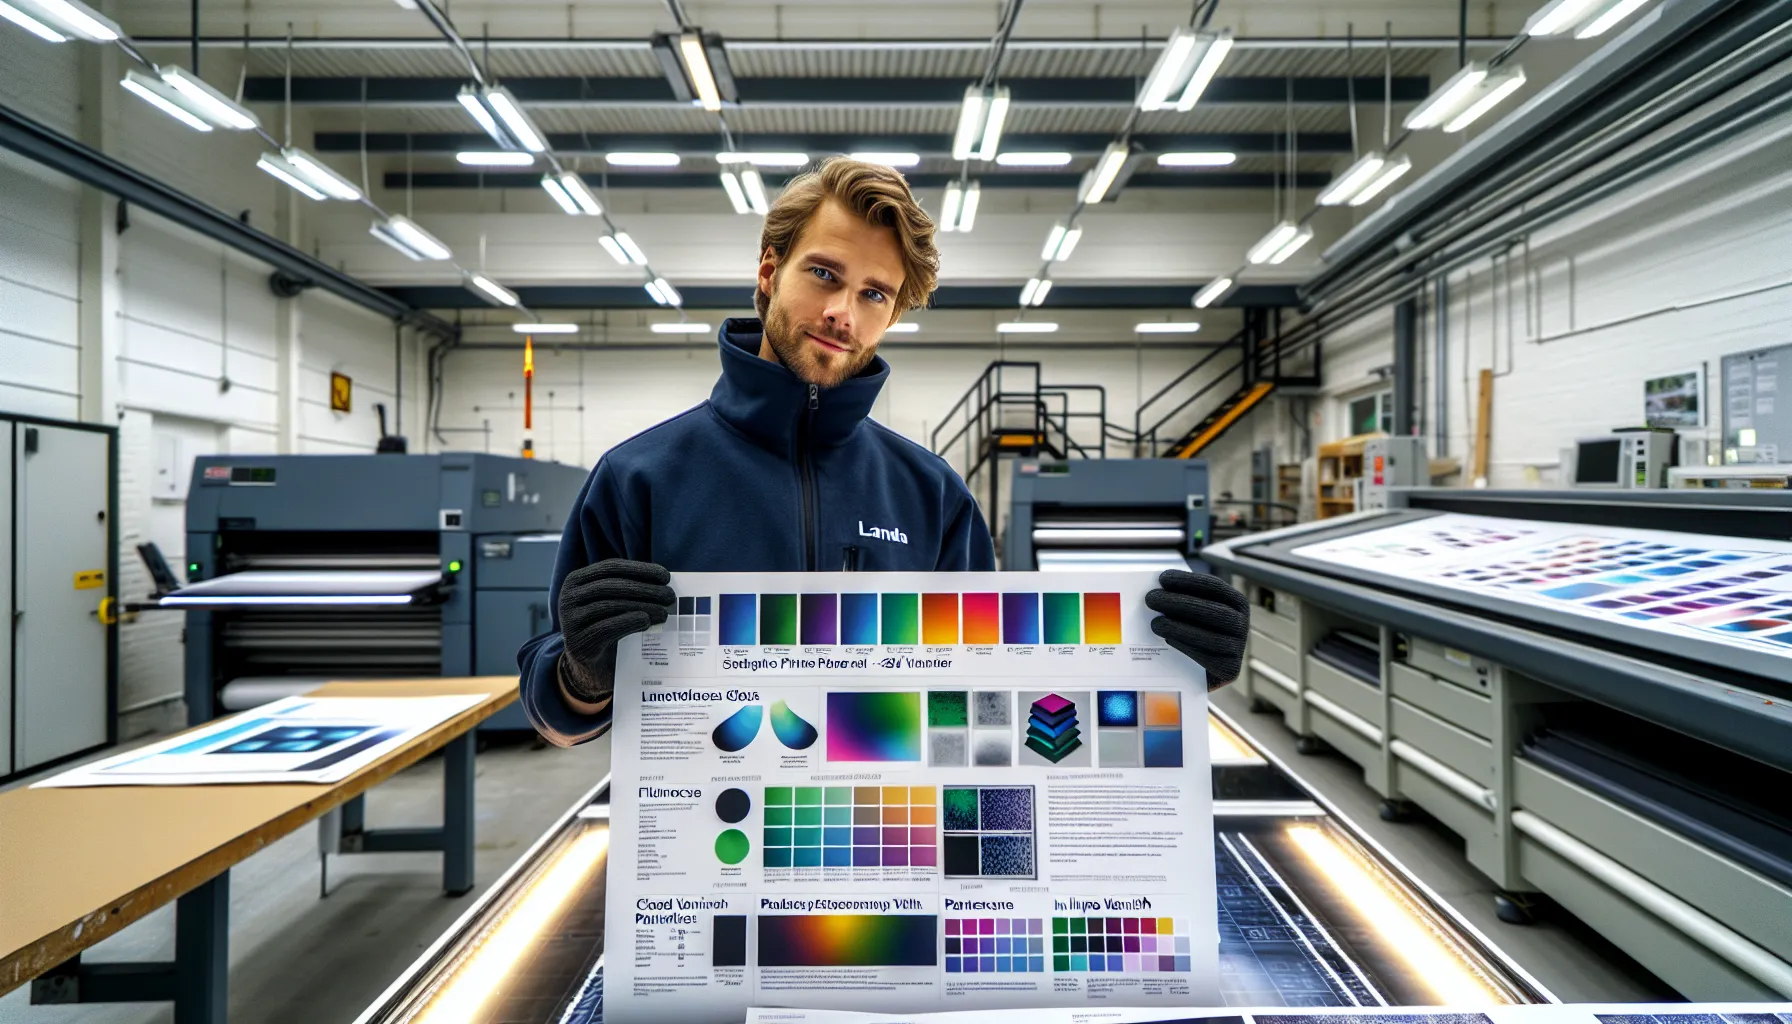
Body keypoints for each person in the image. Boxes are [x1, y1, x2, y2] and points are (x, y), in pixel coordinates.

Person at [518, 157, 1249, 747]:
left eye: (875, 294)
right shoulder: (639, 476)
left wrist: (1165, 674)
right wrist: (584, 673)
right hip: (701, 871)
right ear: (770, 270)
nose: (844, 313)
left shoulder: (930, 494)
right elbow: (556, 721)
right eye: (825, 274)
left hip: (888, 854)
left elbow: (993, 695)